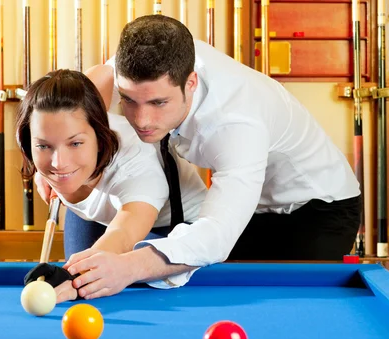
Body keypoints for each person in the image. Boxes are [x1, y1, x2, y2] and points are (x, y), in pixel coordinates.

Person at [36, 14, 362, 301]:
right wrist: (56, 158)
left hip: (319, 211)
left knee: (285, 309)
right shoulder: (155, 55)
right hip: (251, 207)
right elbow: (96, 85)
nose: (141, 120)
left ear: (190, 83)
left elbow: (217, 233)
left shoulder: (235, 123)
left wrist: (128, 267)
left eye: (159, 103)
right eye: (129, 100)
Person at [18, 69, 206, 301]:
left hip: (174, 224)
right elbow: (105, 72)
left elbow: (124, 233)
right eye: (44, 146)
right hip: (103, 214)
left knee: (96, 279)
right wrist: (41, 170)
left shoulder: (137, 165)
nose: (59, 163)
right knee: (90, 283)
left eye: (75, 143)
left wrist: (70, 276)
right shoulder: (56, 137)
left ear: (99, 137)